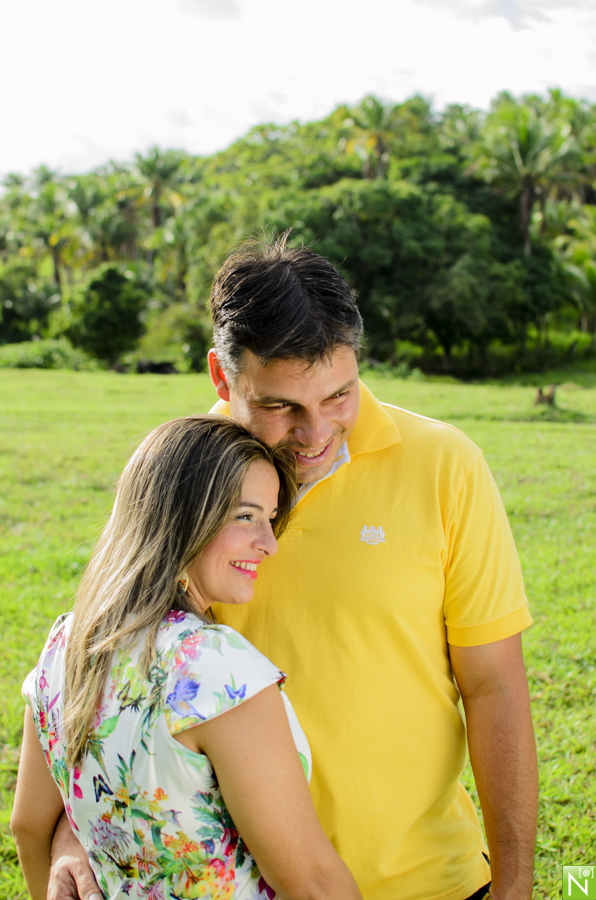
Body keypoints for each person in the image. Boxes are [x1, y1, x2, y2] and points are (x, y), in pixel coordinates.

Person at [45, 236, 537, 900]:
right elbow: (107, 651)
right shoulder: (180, 473)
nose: (316, 433)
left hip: (432, 883)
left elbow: (495, 688)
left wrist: (513, 885)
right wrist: (76, 829)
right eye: (281, 407)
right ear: (223, 377)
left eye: (339, 395)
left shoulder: (446, 465)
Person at [11, 414, 363, 900]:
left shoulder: (66, 645)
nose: (269, 543)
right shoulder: (217, 669)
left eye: (269, 517)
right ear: (183, 519)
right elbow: (312, 881)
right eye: (245, 516)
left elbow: (29, 826)